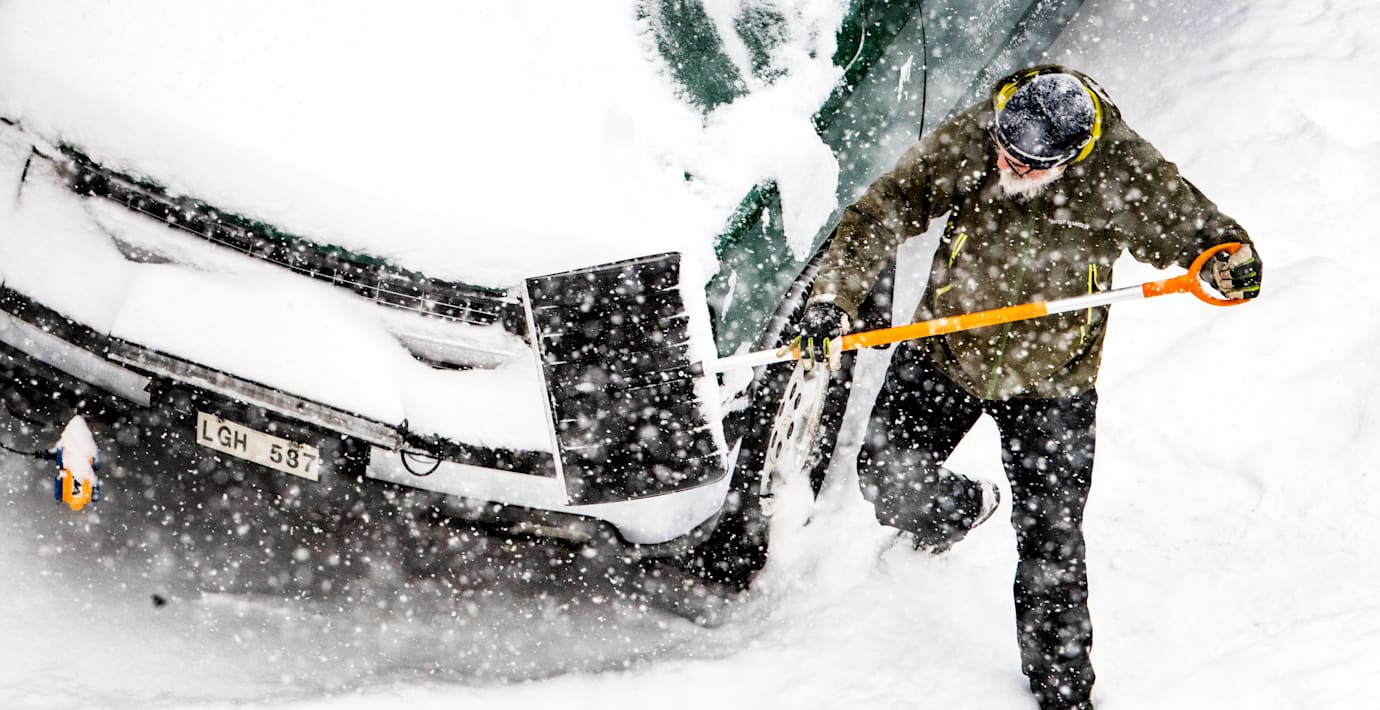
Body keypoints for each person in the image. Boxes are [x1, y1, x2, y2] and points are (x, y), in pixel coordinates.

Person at [796, 65, 1261, 710]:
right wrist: (832, 299)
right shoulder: (982, 132)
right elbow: (886, 206)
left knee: (1051, 541)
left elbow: (1200, 232)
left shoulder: (1125, 171)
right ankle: (955, 512)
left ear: (1074, 158)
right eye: (1005, 154)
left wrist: (1227, 259)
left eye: (1030, 165)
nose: (1009, 167)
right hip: (945, 348)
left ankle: (1063, 691)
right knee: (884, 474)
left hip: (1054, 382)